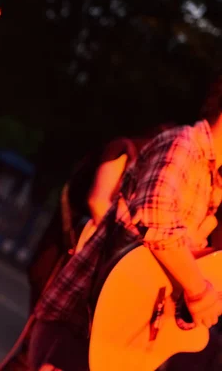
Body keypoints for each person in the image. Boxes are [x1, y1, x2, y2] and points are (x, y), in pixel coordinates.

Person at [28, 78, 222, 371]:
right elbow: (155, 214)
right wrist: (199, 292)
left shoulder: (211, 178)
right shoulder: (185, 145)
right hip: (84, 326)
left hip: (117, 331)